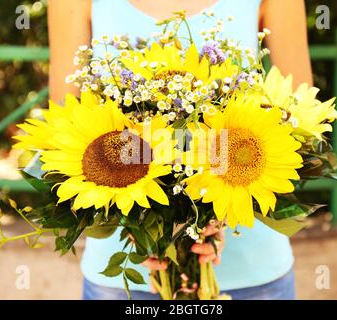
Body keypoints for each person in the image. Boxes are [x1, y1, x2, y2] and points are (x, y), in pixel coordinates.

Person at [48, 0, 313, 300]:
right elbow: (65, 130)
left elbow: (299, 117)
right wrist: (138, 224)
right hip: (125, 284)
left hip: (254, 276)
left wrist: (221, 214)